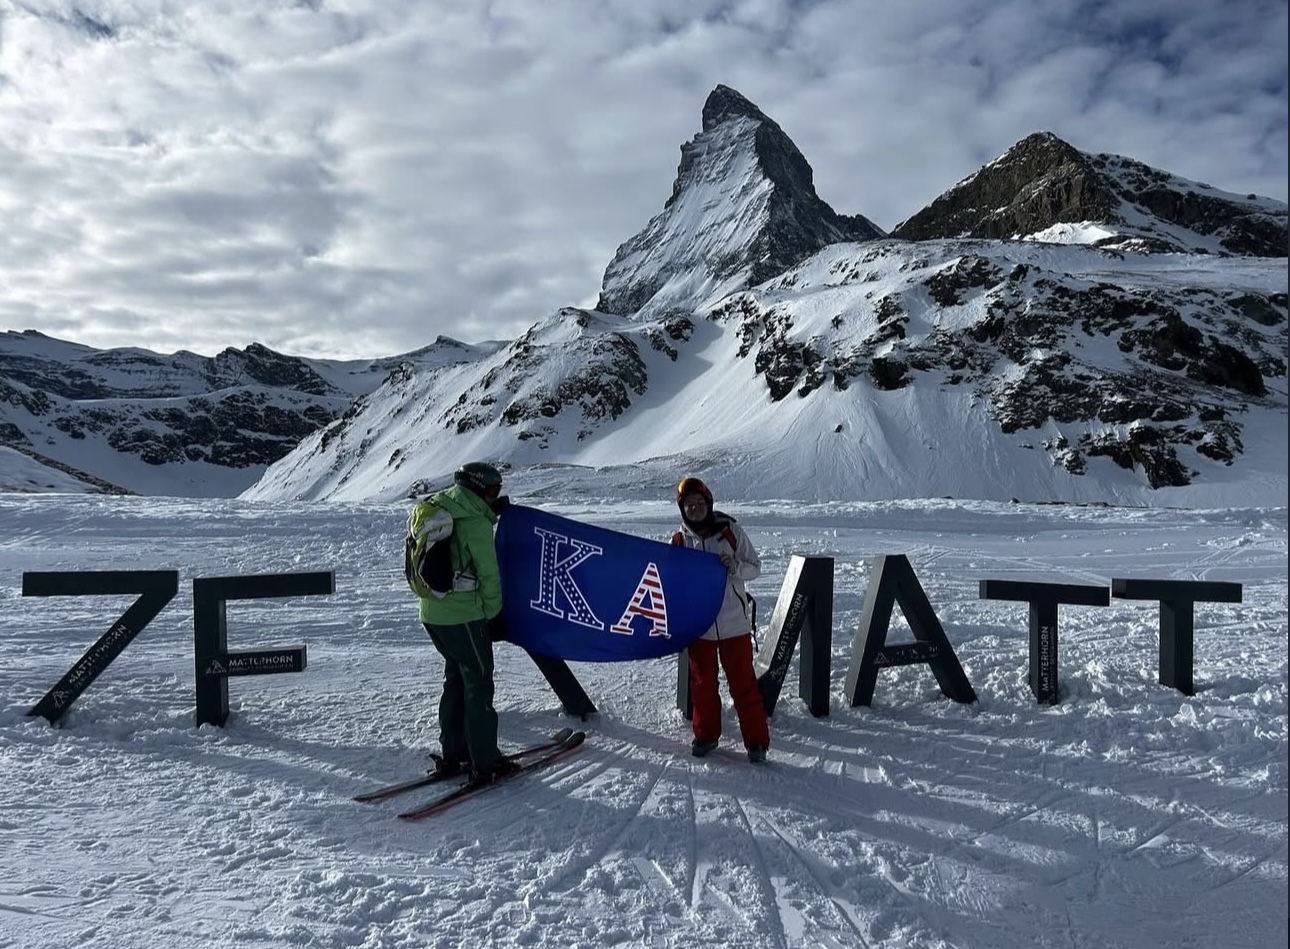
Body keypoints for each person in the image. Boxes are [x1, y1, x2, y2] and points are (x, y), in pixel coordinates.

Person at [418, 461, 518, 783]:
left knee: (456, 679)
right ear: (478, 488)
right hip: (464, 615)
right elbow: (489, 575)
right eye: (491, 490)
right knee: (478, 683)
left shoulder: (437, 505)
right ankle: (485, 761)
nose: (494, 496)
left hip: (433, 613)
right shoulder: (474, 521)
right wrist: (494, 614)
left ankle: (455, 753)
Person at [672, 476, 770, 763]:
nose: (694, 509)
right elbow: (671, 583)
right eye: (688, 505)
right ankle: (705, 735)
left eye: (699, 503)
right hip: (699, 627)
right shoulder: (679, 541)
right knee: (702, 686)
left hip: (734, 625)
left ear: (708, 503)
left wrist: (735, 567)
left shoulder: (730, 531)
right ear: (682, 509)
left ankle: (757, 742)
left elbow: (755, 567)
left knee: (743, 685)